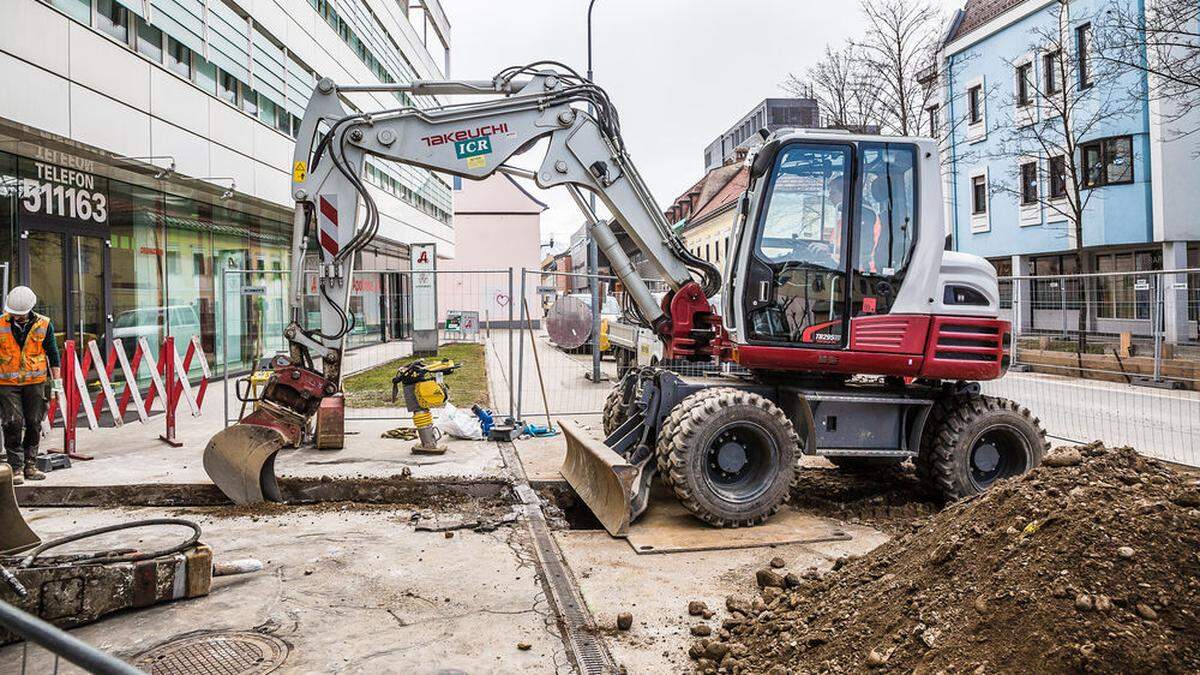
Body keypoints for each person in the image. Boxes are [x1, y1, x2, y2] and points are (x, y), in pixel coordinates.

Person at [0, 286, 60, 485]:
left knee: (34, 422)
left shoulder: (44, 324)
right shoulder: (1, 324)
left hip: (35, 383)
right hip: (7, 383)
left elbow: (53, 354)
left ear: (30, 309)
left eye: (20, 314)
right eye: (13, 314)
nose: (16, 317)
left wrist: (57, 384)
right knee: (12, 422)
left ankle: (30, 465)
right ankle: (16, 467)